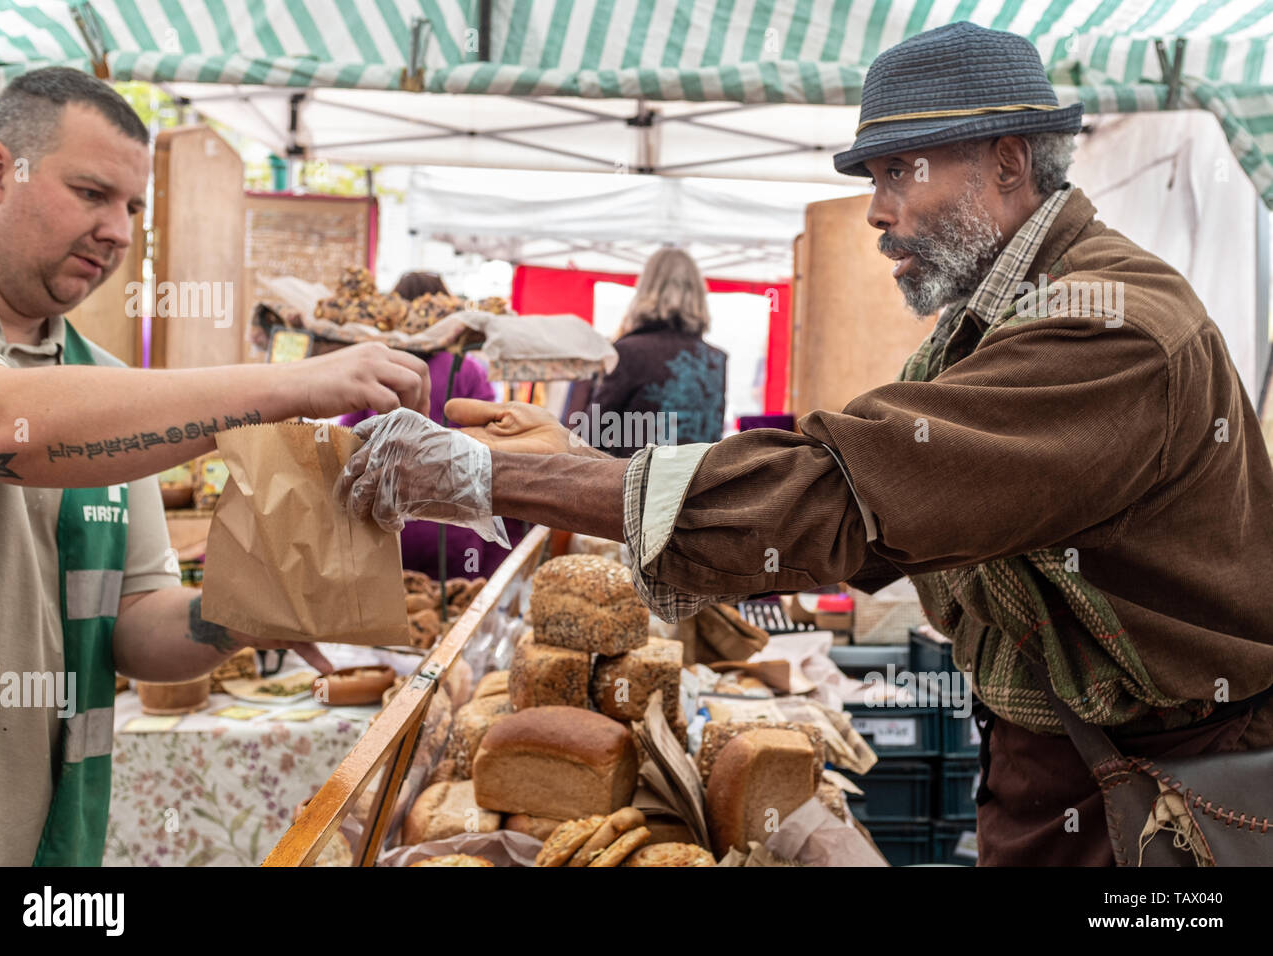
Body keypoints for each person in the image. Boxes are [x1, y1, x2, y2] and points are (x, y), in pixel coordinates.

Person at [337, 23, 1273, 867]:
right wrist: (573, 468)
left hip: (1161, 799)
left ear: (1008, 160)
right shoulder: (998, 317)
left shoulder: (1104, 329)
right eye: (874, 179)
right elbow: (867, 474)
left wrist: (490, 476)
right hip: (1062, 770)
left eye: (903, 171)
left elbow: (838, 495)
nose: (875, 210)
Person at [0, 67, 429, 866]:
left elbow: (135, 626)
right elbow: (2, 426)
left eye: (134, 207)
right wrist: (285, 385)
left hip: (44, 842)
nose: (120, 230)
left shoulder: (110, 390)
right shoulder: (90, 402)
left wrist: (243, 615)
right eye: (91, 193)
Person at [339, 272, 516, 578]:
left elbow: (346, 438)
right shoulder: (468, 370)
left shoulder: (378, 368)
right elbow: (491, 445)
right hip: (452, 524)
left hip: (383, 520)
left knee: (385, 611)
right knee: (450, 614)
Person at [588, 248, 727, 457]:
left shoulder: (630, 351)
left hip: (641, 486)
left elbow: (590, 437)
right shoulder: (716, 360)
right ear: (698, 293)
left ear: (646, 289)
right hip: (697, 486)